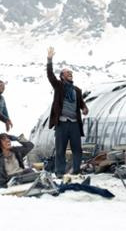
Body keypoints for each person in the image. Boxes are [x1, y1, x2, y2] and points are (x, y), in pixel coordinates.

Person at [46, 47, 88, 177]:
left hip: (74, 123)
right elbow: (50, 75)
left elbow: (81, 103)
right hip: (62, 123)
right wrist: (49, 59)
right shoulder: (59, 86)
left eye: (71, 72)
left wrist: (85, 108)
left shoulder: (77, 90)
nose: (70, 74)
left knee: (77, 149)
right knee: (60, 150)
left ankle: (76, 171)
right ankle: (59, 172)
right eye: (67, 72)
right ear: (62, 76)